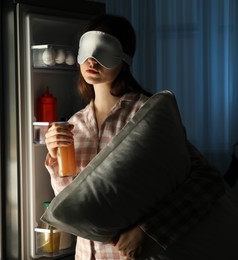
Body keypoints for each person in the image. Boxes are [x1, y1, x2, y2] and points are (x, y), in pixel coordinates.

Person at [44, 14, 225, 260]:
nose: (92, 60)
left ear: (124, 59)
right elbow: (74, 205)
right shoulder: (75, 124)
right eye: (86, 51)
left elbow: (206, 180)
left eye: (103, 52)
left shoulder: (146, 115)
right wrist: (55, 159)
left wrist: (148, 230)